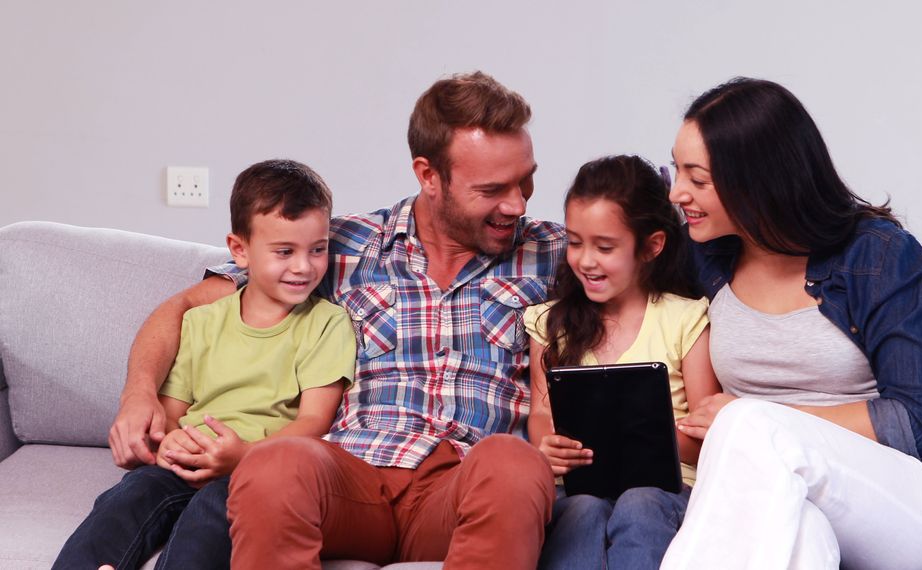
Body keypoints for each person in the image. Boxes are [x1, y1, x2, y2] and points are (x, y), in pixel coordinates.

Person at [106, 72, 564, 569]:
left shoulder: (556, 251)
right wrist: (138, 395)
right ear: (429, 176)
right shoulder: (336, 246)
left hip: (462, 483)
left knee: (516, 462)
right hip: (349, 481)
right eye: (493, 189)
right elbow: (187, 307)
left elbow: (646, 260)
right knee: (276, 461)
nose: (517, 204)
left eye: (527, 180)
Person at [660, 77, 922, 569]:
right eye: (676, 170)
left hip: (905, 499)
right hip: (786, 495)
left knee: (747, 422)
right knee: (797, 539)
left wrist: (758, 415)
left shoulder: (879, 256)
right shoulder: (706, 256)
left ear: (758, 180)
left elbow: (918, 423)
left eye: (697, 179)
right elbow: (607, 265)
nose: (678, 192)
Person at [54, 159, 355, 570]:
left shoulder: (327, 323)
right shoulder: (201, 321)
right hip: (189, 462)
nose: (304, 266)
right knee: (125, 499)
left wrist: (244, 454)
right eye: (285, 251)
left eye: (317, 250)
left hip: (254, 470)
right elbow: (172, 413)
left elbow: (313, 422)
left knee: (213, 516)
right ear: (239, 250)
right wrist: (171, 443)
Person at [524, 155, 720, 569]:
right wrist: (549, 445)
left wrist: (649, 436)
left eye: (605, 247)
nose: (586, 260)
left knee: (640, 503)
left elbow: (709, 435)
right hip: (580, 486)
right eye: (575, 242)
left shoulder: (685, 319)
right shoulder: (549, 321)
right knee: (582, 510)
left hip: (667, 488)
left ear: (651, 246)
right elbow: (541, 411)